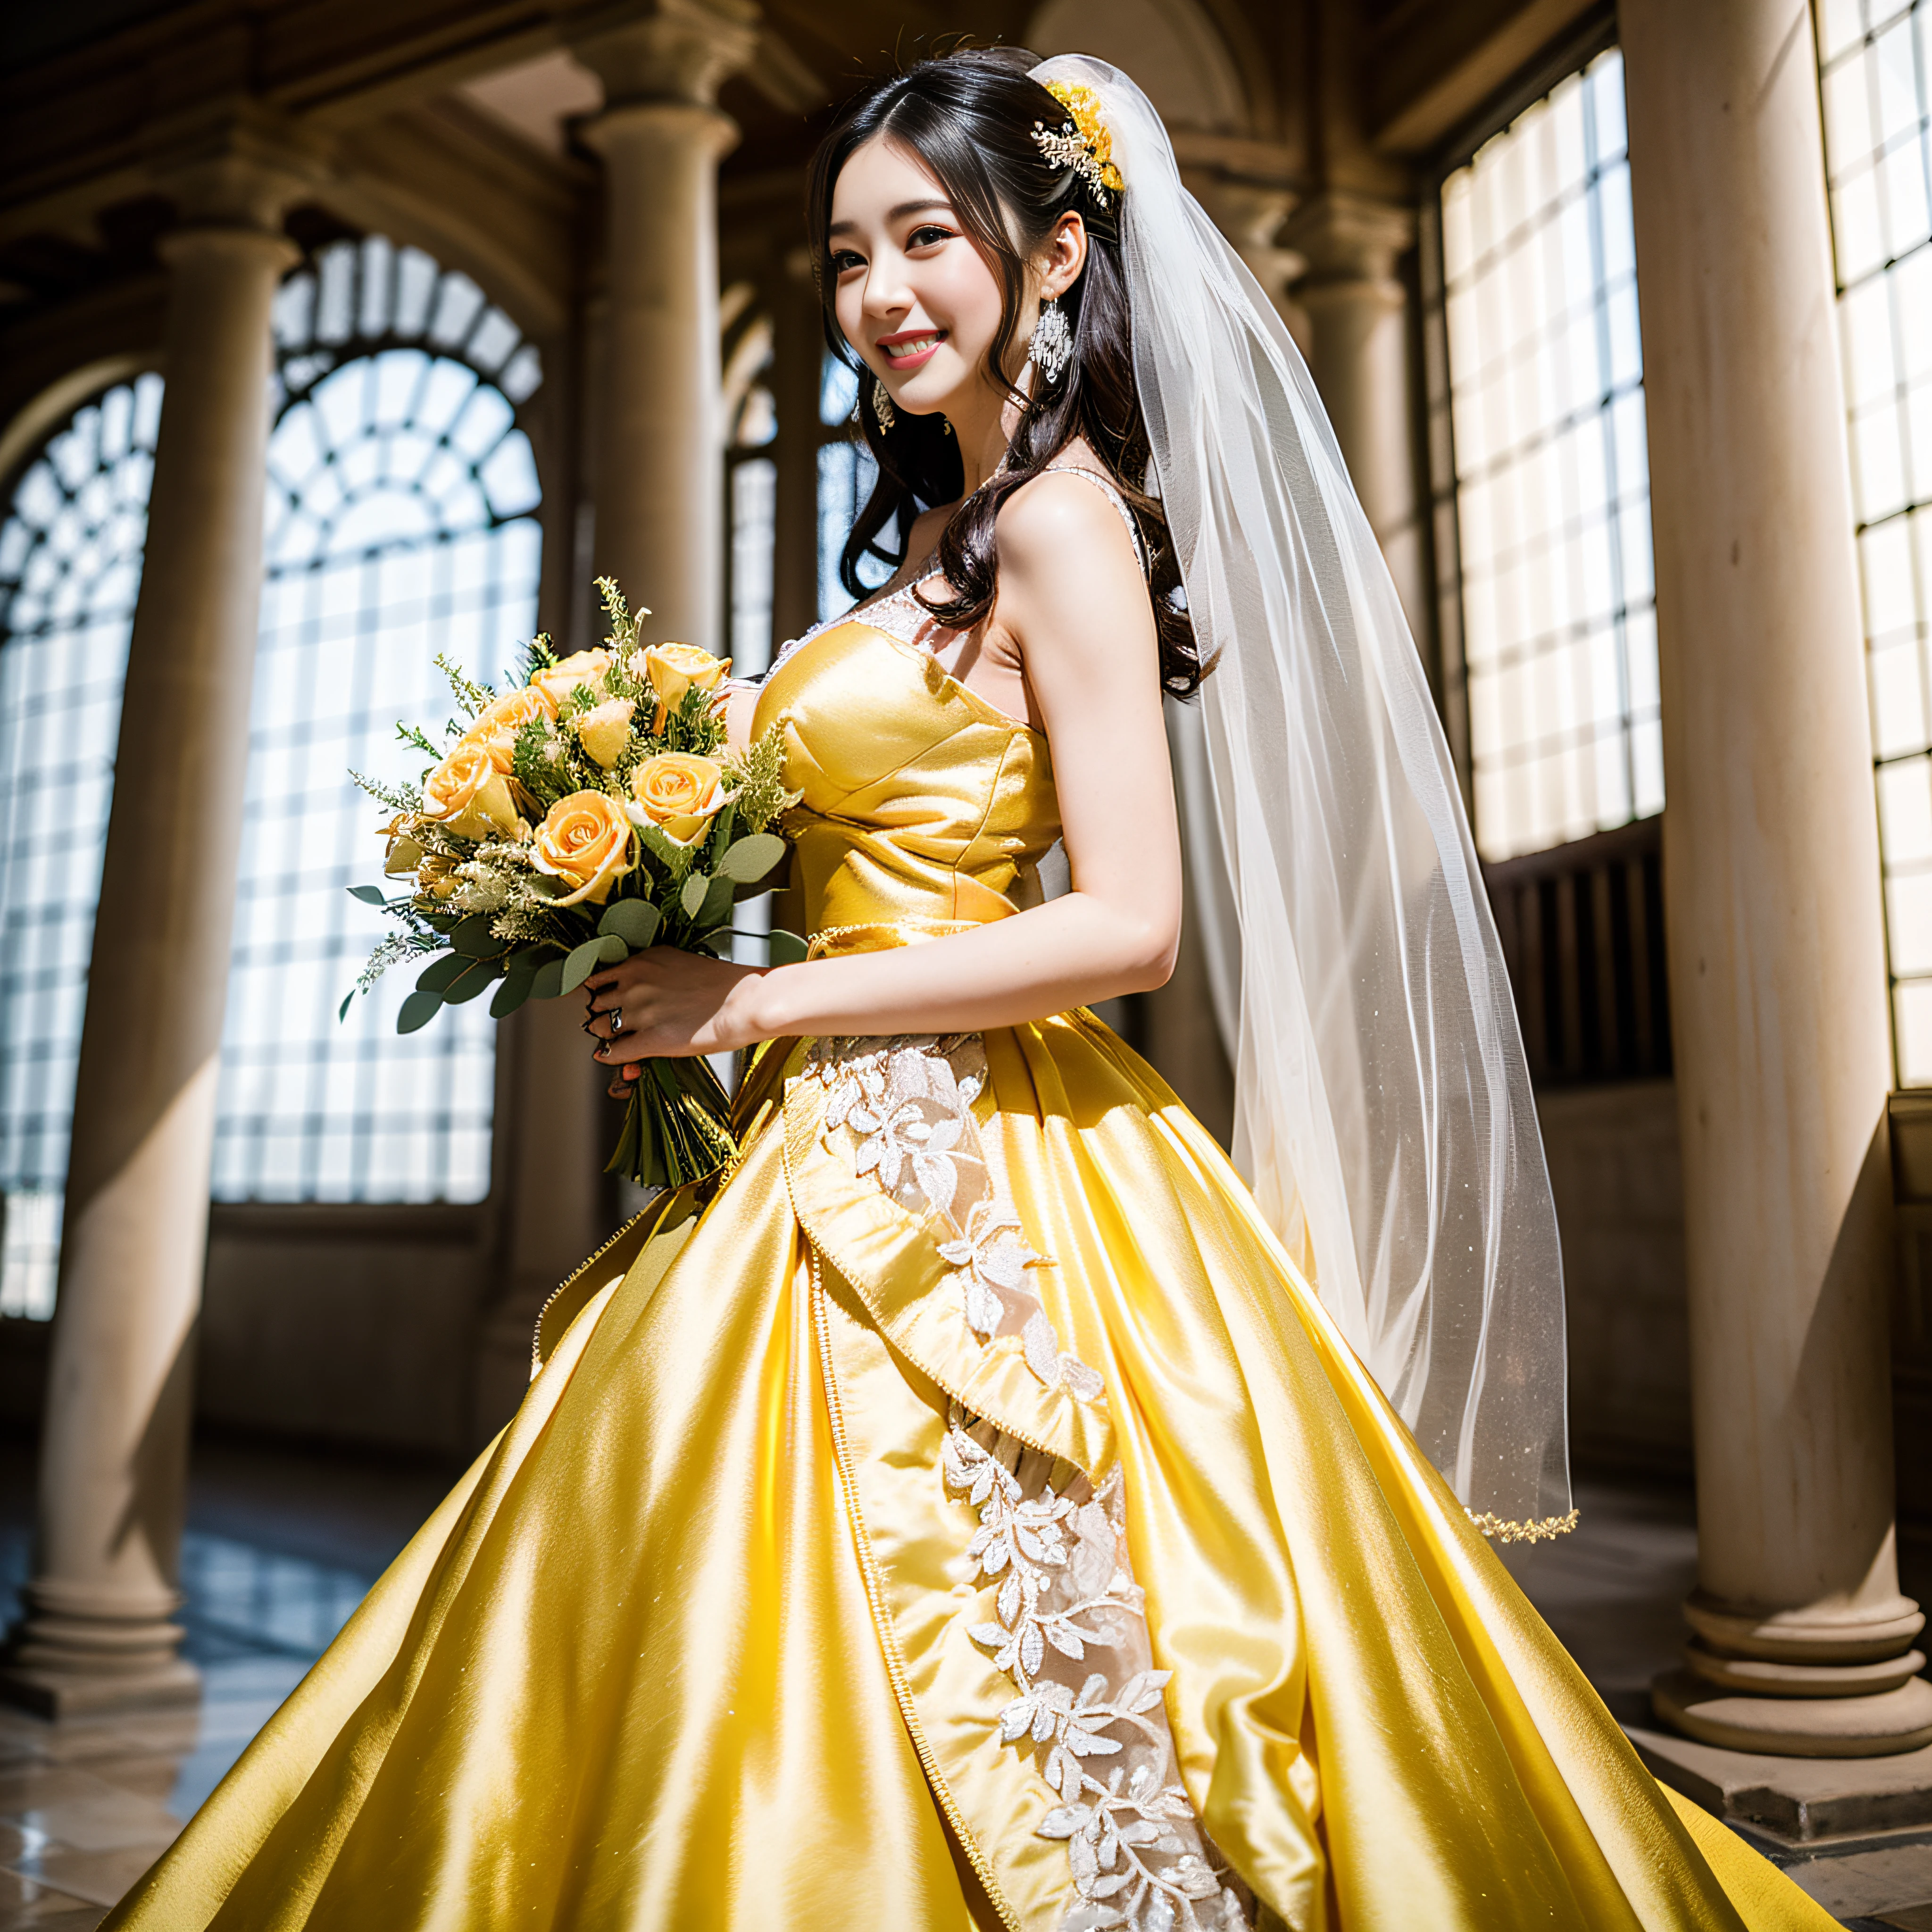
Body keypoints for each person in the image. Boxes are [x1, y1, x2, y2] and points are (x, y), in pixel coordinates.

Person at [105, 48, 1838, 1932]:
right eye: (845, 254)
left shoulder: (1063, 521)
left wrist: (748, 1003)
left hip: (1000, 1156)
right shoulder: (945, 528)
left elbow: (1131, 926)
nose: (875, 294)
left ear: (1061, 251)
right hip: (812, 1142)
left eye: (924, 235)